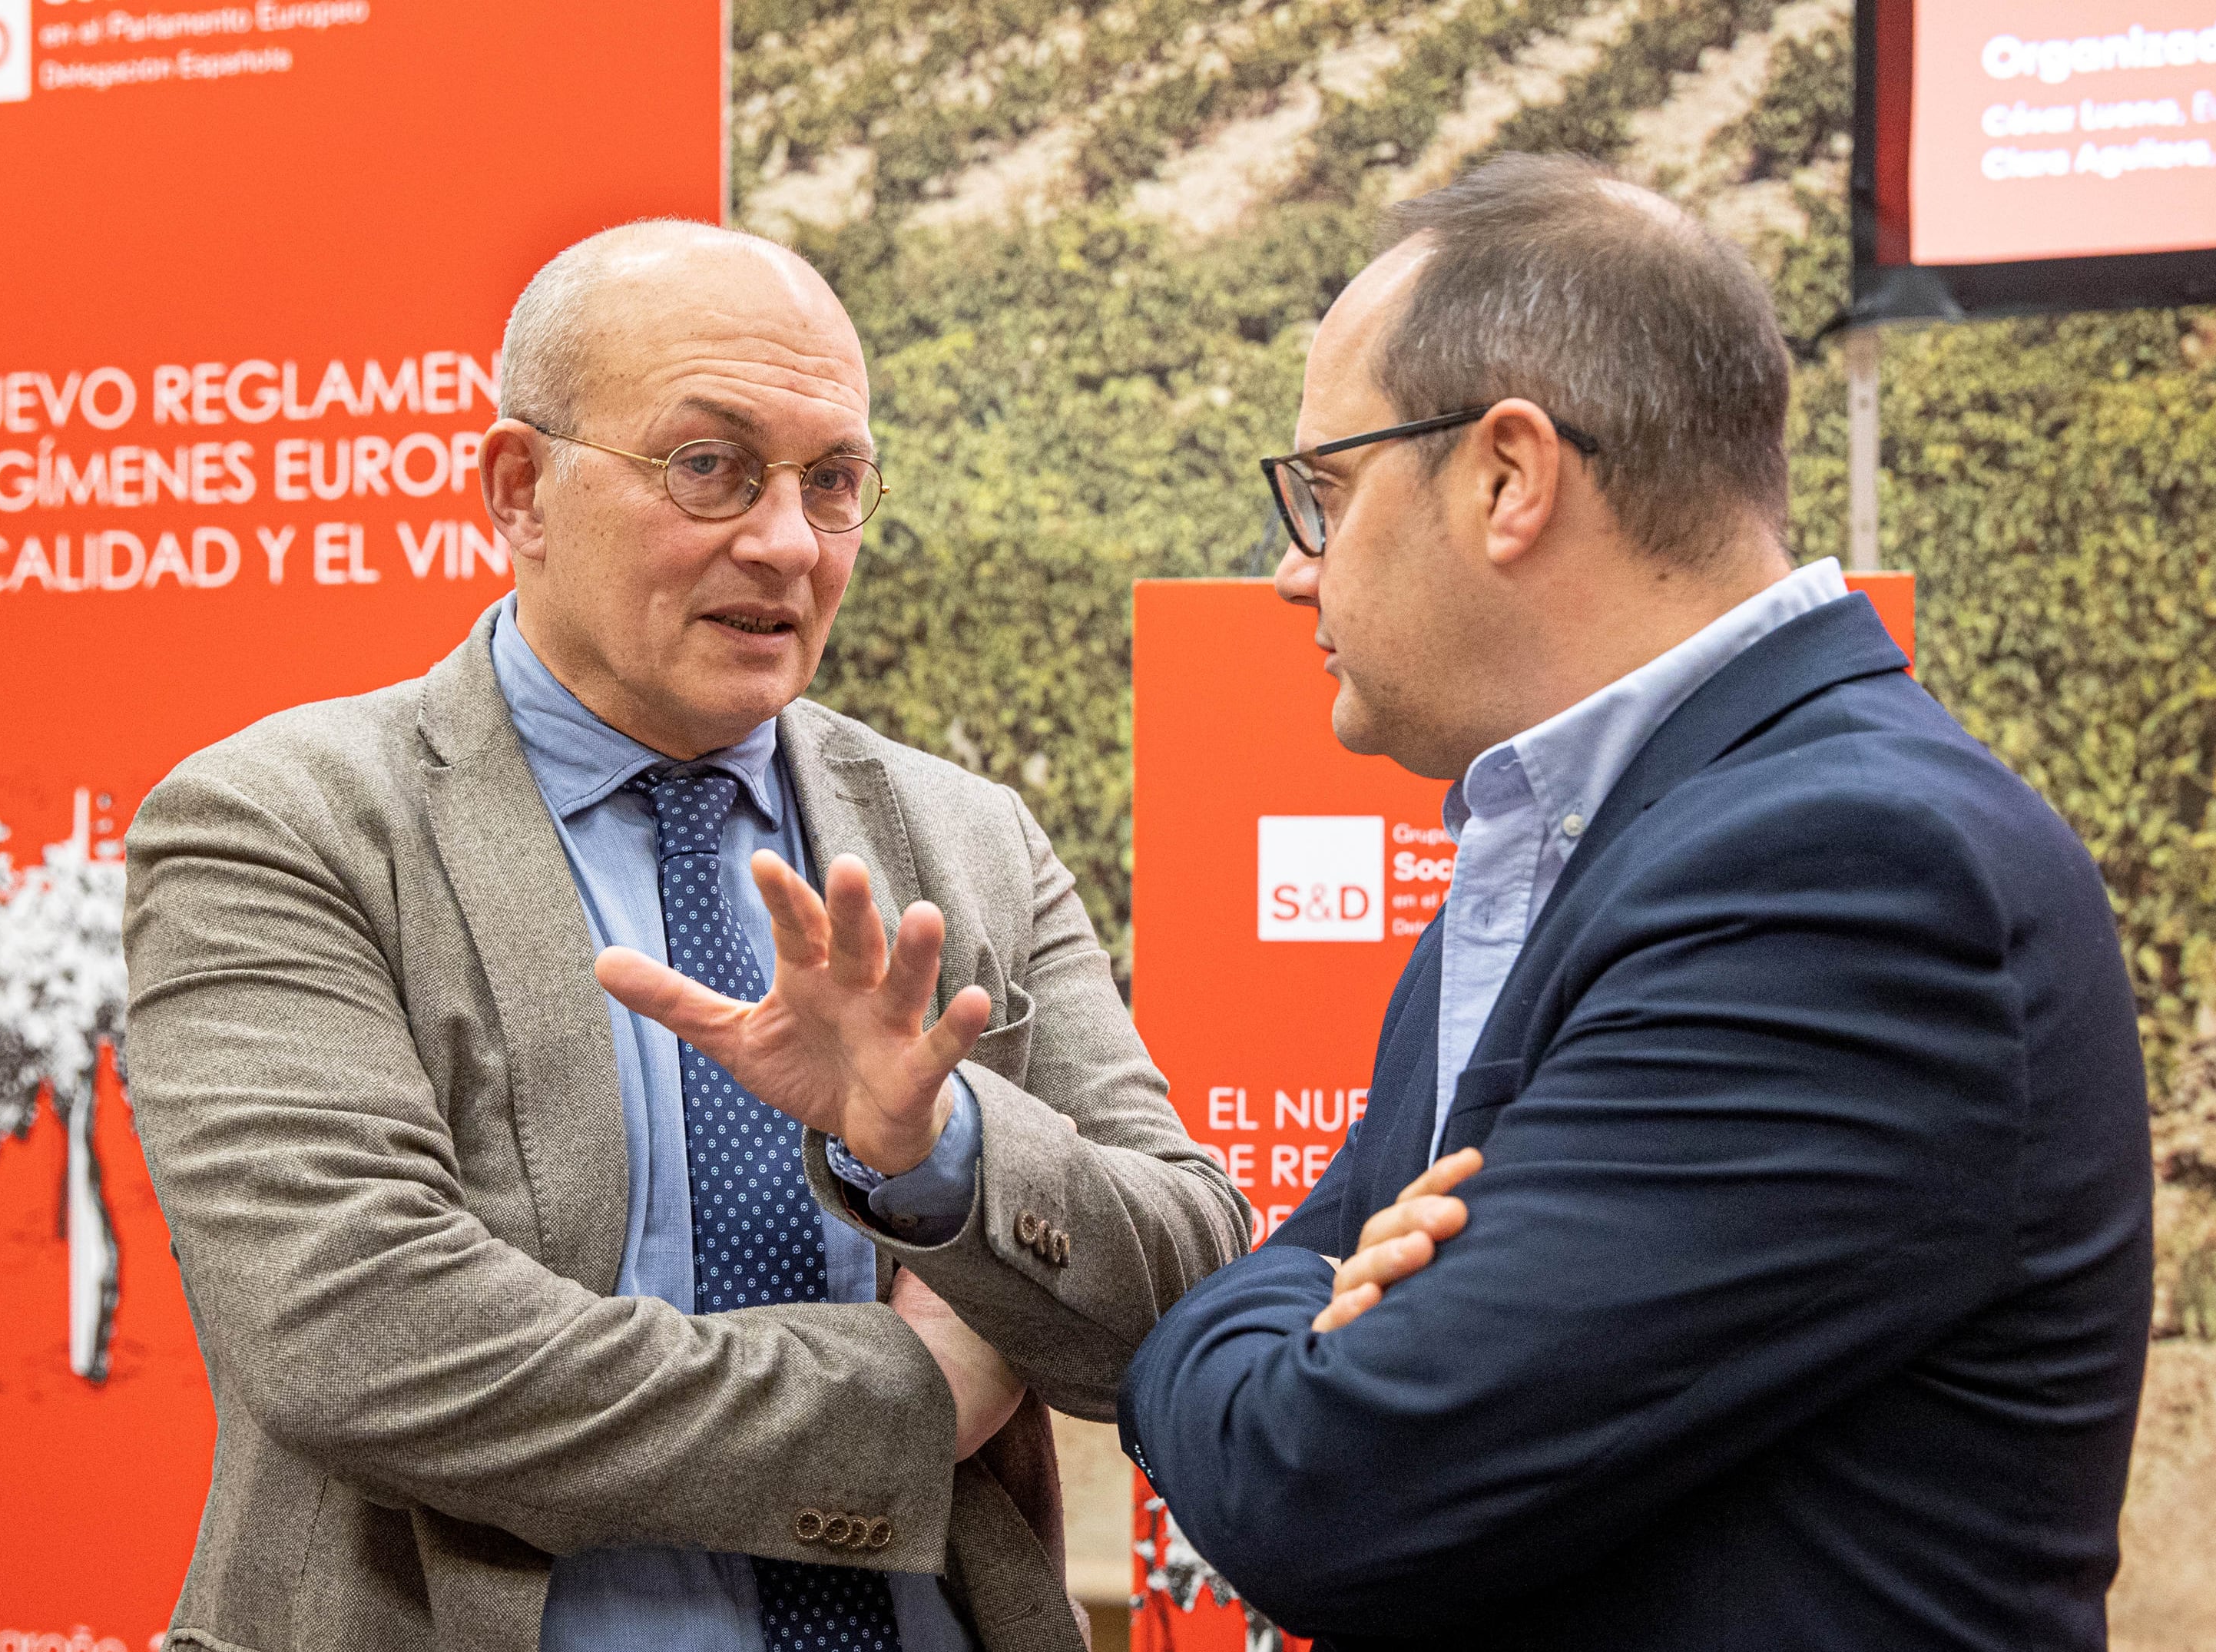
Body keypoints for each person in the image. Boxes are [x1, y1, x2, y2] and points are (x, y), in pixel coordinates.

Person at [124, 220, 1247, 1652]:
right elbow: (367, 1341)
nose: (784, 541)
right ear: (520, 490)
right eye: (708, 468)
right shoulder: (284, 826)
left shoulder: (964, 839)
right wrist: (904, 1400)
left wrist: (939, 1154)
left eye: (830, 481)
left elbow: (1191, 1281)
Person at [1118, 154, 2154, 1650]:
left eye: (1322, 491)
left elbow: (1328, 1483)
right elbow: (1329, 1277)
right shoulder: (1604, 835)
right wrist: (1302, 1311)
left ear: (1506, 475)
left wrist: (1197, 1329)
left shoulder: (1844, 874)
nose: (1295, 570)